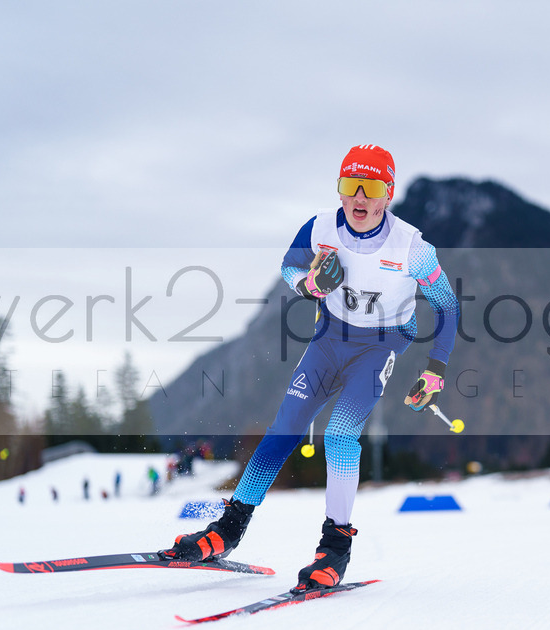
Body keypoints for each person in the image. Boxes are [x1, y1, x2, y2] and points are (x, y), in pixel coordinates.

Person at [162, 145, 460, 592]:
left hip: (379, 347)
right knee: (283, 430)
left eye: (372, 187)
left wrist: (435, 370)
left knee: (340, 435)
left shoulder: (413, 247)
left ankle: (335, 547)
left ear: (389, 194)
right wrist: (309, 285)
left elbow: (448, 306)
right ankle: (228, 530)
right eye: (349, 186)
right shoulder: (320, 226)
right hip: (329, 341)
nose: (359, 198)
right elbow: (288, 268)